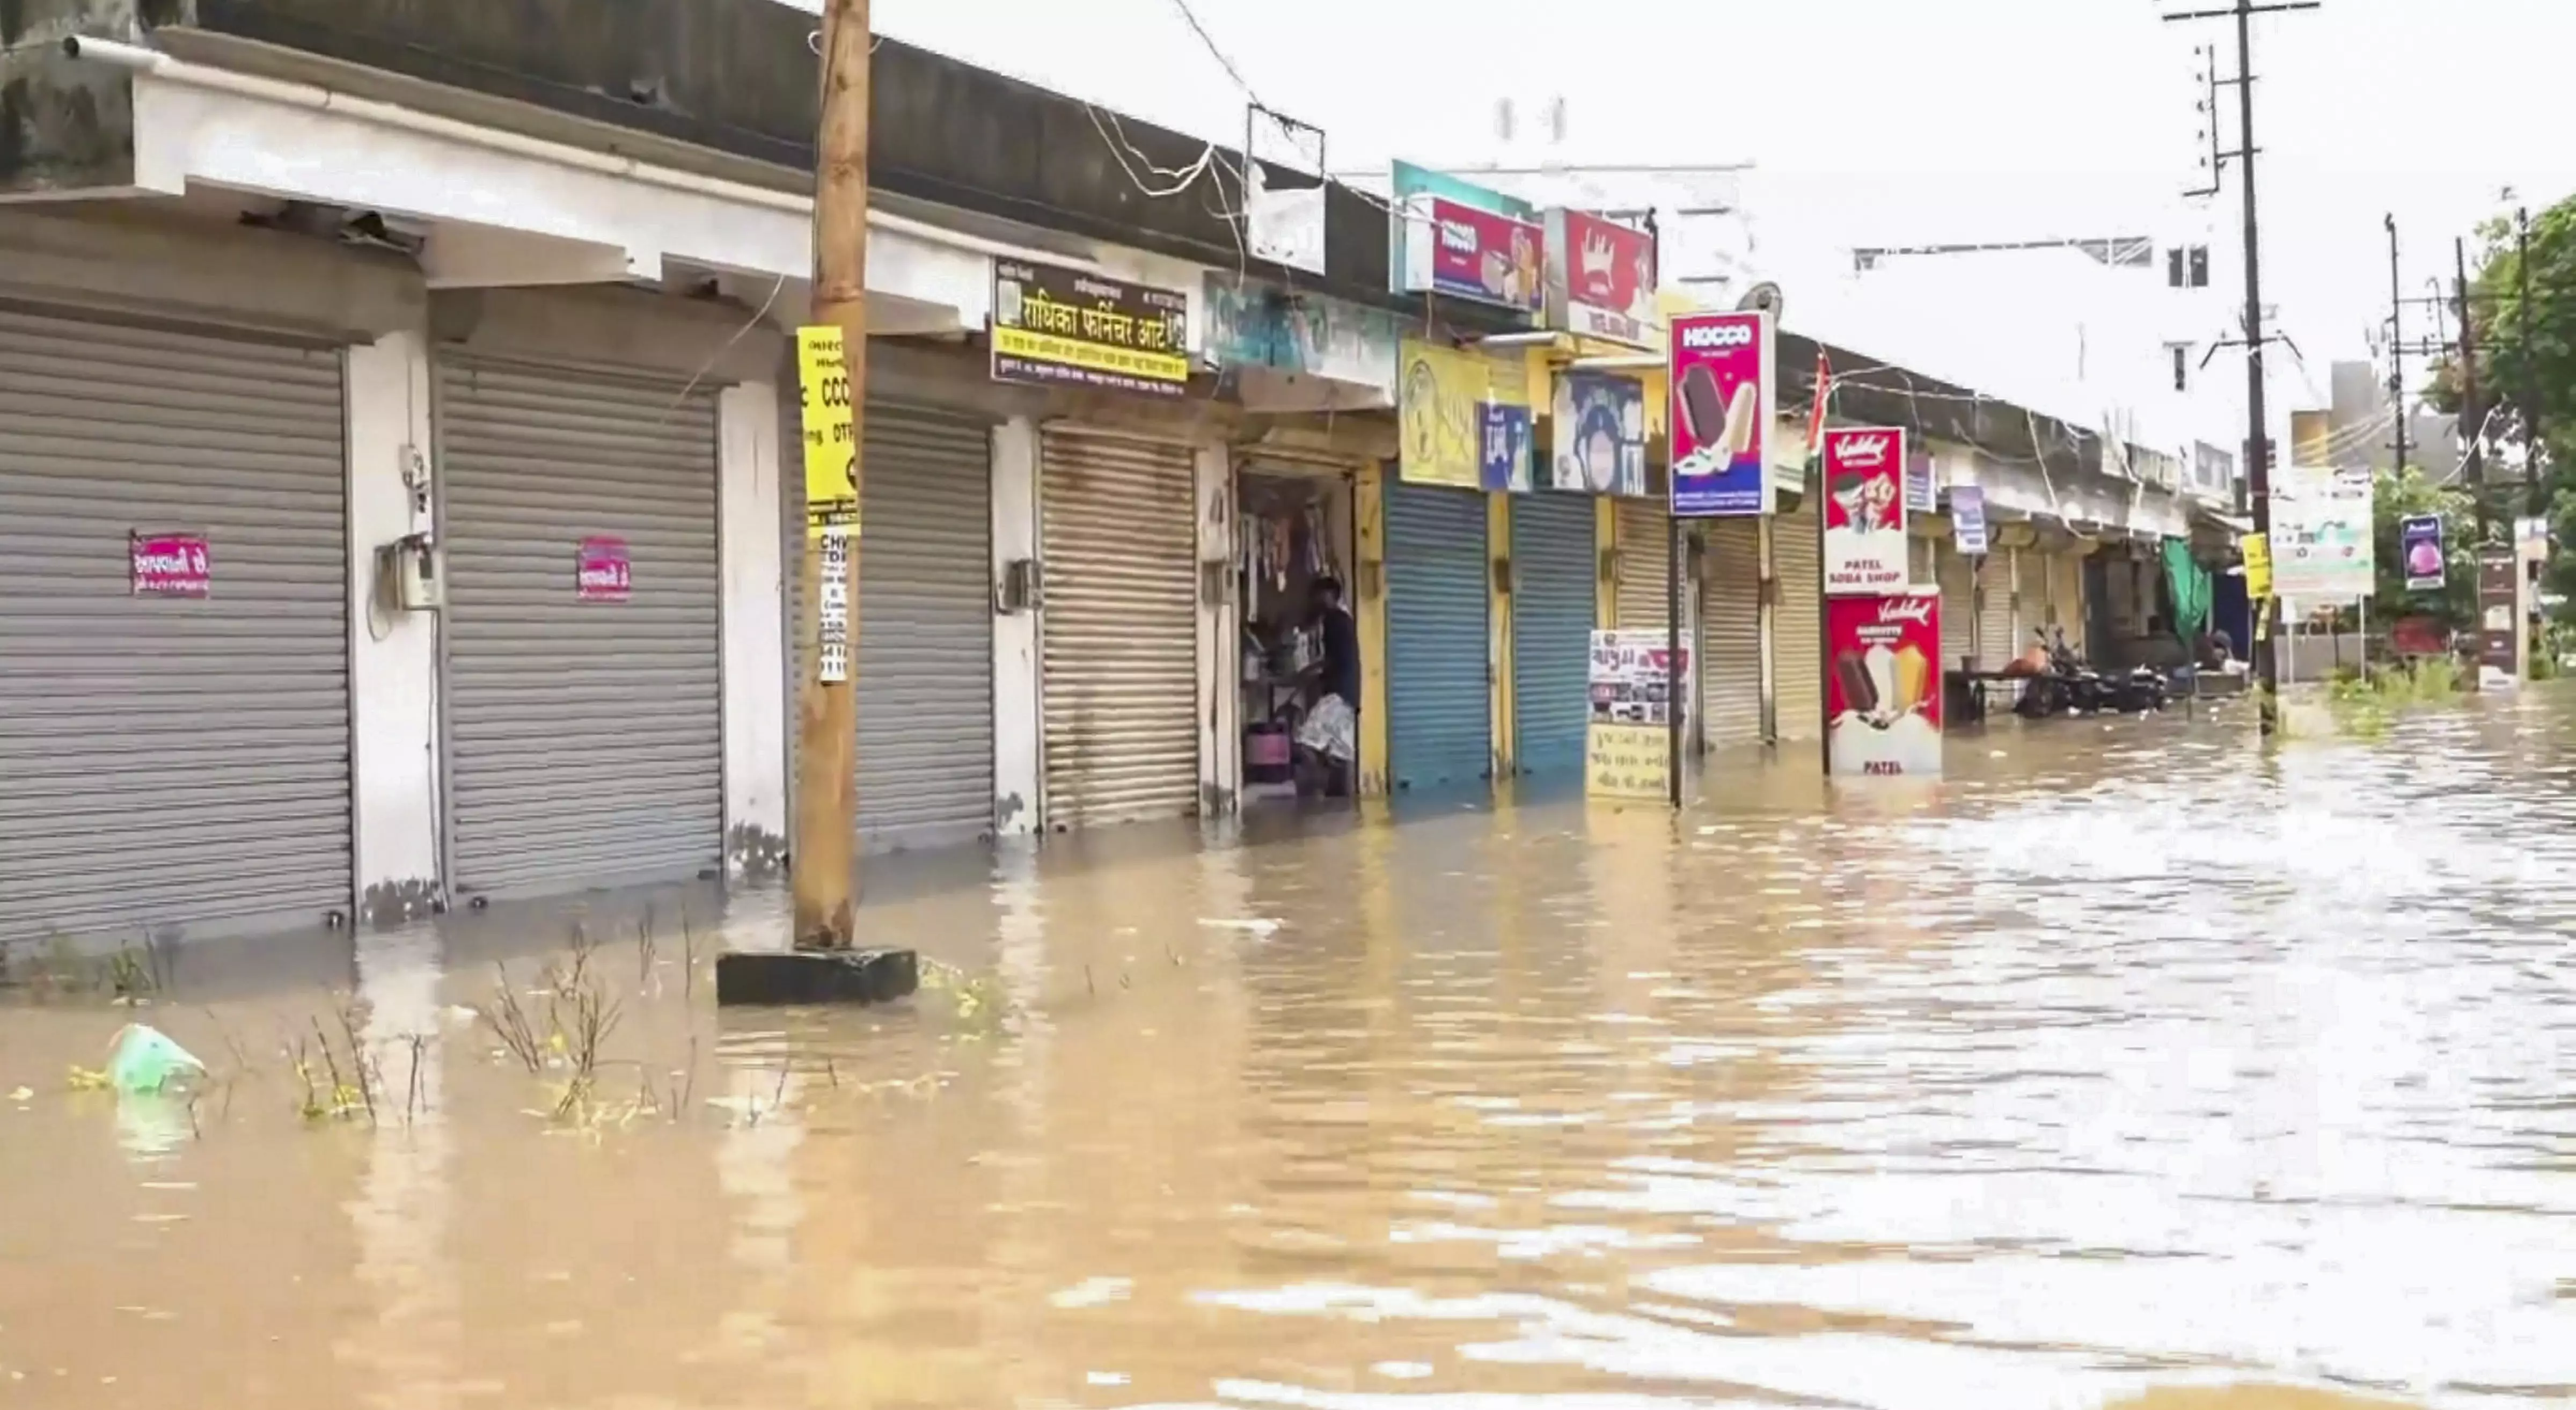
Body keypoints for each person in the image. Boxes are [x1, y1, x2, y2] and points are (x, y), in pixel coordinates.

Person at [1296, 576, 1360, 797]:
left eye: (1318, 595)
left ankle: (1314, 792)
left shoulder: (1333, 620)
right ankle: (1340, 808)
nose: (1314, 600)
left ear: (1329, 595)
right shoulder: (1344, 619)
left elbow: (1332, 658)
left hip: (1337, 693)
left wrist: (1308, 672)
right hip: (1351, 695)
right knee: (1340, 754)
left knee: (1305, 743)